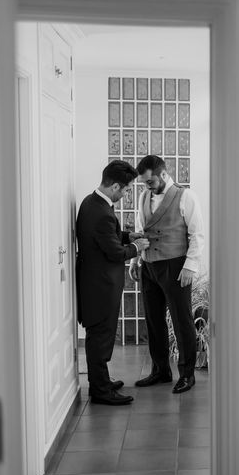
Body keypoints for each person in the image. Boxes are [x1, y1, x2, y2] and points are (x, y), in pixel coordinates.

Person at [76, 160, 150, 405]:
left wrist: (129, 235)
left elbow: (105, 238)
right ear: (116, 186)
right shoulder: (101, 213)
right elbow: (115, 253)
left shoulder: (91, 202)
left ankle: (102, 382)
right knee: (101, 337)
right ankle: (100, 391)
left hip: (95, 282)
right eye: (126, 189)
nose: (127, 194)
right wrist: (136, 247)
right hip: (100, 286)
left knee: (101, 336)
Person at [129, 155, 204, 394]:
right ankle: (161, 370)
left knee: (182, 322)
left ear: (162, 174)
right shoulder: (144, 196)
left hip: (176, 266)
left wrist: (190, 267)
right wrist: (135, 259)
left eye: (149, 181)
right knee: (153, 320)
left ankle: (187, 374)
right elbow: (141, 231)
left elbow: (197, 235)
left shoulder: (186, 196)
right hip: (149, 265)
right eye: (143, 183)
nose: (146, 187)